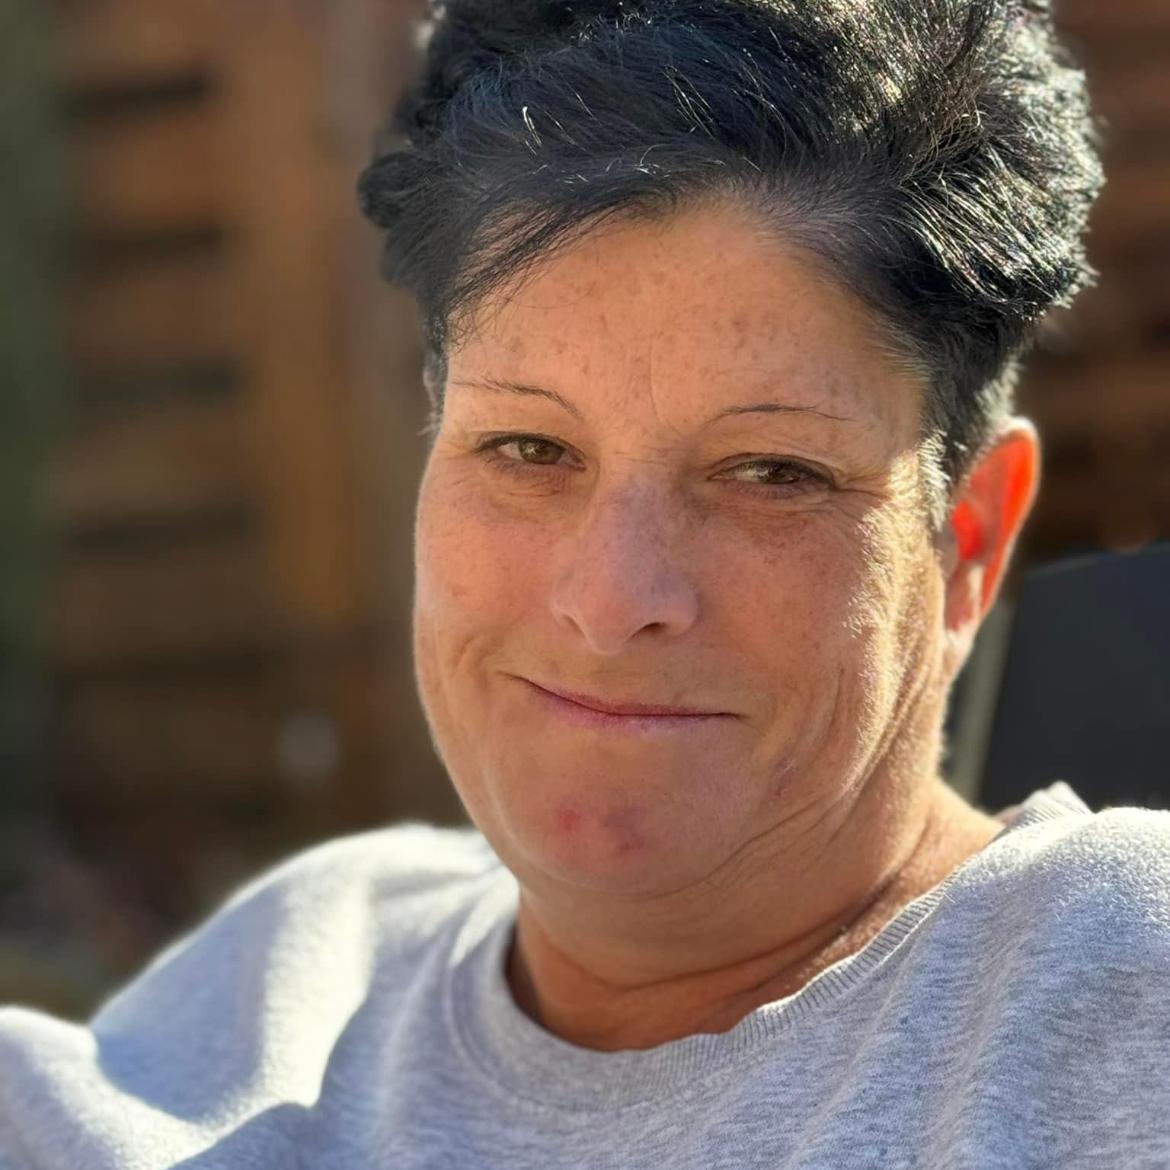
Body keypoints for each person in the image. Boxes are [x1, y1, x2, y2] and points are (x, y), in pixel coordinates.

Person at [2, 1, 1168, 1166]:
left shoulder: (1115, 989)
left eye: (772, 472)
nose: (610, 600)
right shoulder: (289, 978)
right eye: (529, 448)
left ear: (968, 540)